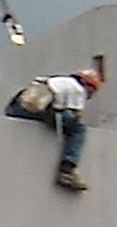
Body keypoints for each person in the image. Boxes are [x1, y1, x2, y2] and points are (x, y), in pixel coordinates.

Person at [6, 55, 105, 192]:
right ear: (85, 83)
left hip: (20, 109)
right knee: (79, 129)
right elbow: (77, 115)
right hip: (41, 110)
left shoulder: (55, 80)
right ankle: (68, 169)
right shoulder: (77, 89)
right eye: (91, 90)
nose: (89, 95)